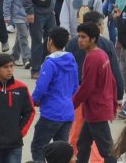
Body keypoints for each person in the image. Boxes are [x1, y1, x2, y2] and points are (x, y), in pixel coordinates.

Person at [0, 53, 36, 163]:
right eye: (5, 67)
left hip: (14, 144)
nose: (9, 70)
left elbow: (30, 111)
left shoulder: (21, 88)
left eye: (11, 66)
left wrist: (20, 133)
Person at [72, 21, 119, 163]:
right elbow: (113, 82)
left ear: (93, 39)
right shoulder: (102, 54)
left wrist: (71, 105)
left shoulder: (93, 57)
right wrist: (114, 103)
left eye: (83, 37)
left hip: (96, 110)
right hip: (97, 108)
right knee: (83, 144)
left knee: (107, 151)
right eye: (79, 36)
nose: (79, 40)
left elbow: (87, 87)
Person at [31, 27, 79, 163]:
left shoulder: (50, 62)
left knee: (38, 147)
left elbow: (41, 87)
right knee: (62, 152)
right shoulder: (71, 60)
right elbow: (75, 86)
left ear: (50, 41)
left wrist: (33, 101)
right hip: (67, 111)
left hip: (52, 111)